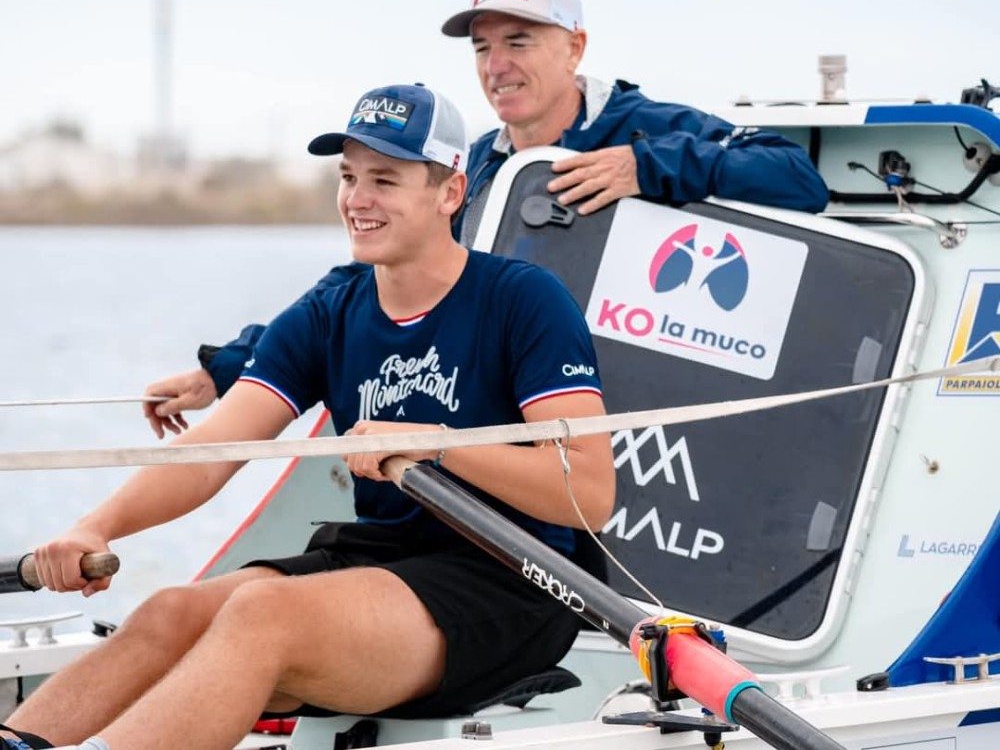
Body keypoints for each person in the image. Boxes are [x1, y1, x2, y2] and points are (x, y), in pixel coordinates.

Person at [0, 84, 615, 750]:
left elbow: (588, 493)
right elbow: (211, 449)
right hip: (382, 561)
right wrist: (96, 526)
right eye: (348, 177)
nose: (358, 198)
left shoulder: (524, 301)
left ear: (449, 193)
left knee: (261, 613)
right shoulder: (333, 306)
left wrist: (439, 445)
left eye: (385, 178)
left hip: (508, 581)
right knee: (168, 610)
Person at [143, 0, 829, 437]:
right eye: (482, 47)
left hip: (635, 413)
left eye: (519, 41)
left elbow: (798, 179)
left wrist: (649, 168)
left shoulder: (645, 128)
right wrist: (229, 369)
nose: (497, 66)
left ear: (575, 47)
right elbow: (381, 286)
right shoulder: (474, 166)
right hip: (513, 418)